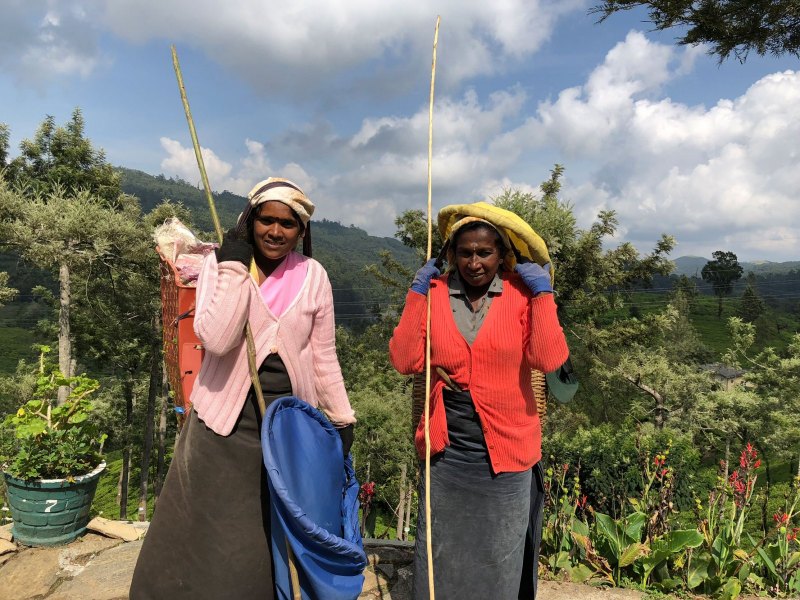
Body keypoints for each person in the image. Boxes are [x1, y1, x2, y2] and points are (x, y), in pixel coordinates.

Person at [131, 177, 356, 599]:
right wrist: (234, 267)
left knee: (268, 531)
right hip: (223, 425)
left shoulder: (313, 276)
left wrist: (341, 417)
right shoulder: (224, 265)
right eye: (266, 220)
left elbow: (324, 357)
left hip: (286, 430)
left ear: (301, 231)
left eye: (287, 224)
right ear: (249, 222)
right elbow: (216, 339)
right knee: (213, 531)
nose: (275, 231)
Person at [389, 205, 569, 599]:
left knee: (498, 552)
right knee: (442, 551)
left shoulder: (522, 295)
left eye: (484, 252)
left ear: (501, 255)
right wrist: (417, 292)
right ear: (451, 254)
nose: (474, 262)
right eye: (465, 252)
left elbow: (548, 358)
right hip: (449, 450)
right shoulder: (434, 295)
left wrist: (543, 294)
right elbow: (405, 360)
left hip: (508, 448)